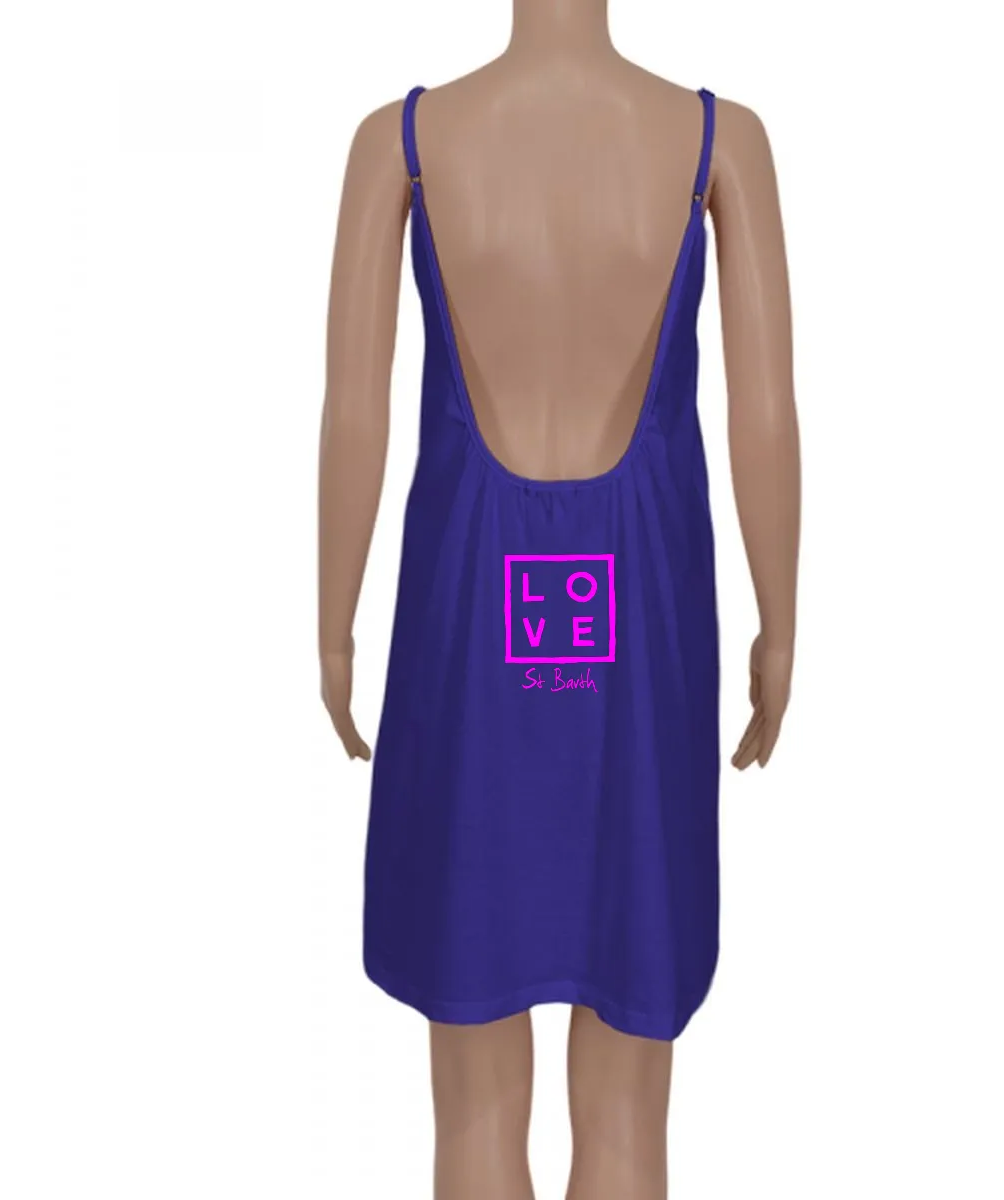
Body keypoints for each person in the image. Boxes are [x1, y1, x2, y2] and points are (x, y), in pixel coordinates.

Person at [318, 4, 801, 1197]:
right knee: (629, 1109)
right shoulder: (716, 143)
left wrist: (333, 630)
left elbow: (353, 413)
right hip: (647, 638)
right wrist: (780, 626)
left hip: (462, 633)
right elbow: (767, 414)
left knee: (474, 1107)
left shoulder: (406, 144)